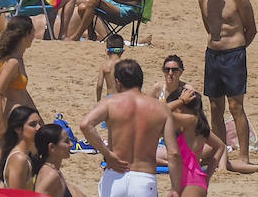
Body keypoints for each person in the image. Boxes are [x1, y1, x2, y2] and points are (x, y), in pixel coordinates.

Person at [80, 59, 183, 197]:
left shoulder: (110, 103)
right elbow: (174, 153)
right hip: (144, 178)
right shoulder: (161, 109)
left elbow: (85, 125)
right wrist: (175, 187)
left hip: (115, 175)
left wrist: (107, 154)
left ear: (118, 82)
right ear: (141, 80)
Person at [195, 0, 257, 164]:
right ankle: (220, 155)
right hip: (212, 54)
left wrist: (236, 49)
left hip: (234, 55)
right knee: (214, 107)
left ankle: (244, 157)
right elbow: (209, 27)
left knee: (236, 106)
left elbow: (251, 28)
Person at [165, 86, 230, 195]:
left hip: (192, 183)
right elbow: (220, 146)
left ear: (181, 106)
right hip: (188, 182)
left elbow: (161, 111)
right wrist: (207, 176)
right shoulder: (196, 125)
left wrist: (180, 101)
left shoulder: (191, 121)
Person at [0, 16, 36, 150]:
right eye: (33, 32)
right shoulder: (12, 63)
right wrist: (3, 130)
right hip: (11, 124)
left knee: (1, 167)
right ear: (26, 35)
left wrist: (37, 116)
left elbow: (22, 92)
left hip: (18, 121)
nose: (34, 36)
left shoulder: (16, 59)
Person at [0, 105, 43, 191]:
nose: (38, 128)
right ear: (18, 129)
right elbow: (16, 194)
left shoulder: (27, 154)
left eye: (39, 123)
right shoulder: (19, 159)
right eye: (33, 125)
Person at [33, 122, 75, 197]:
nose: (71, 144)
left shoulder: (52, 169)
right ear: (52, 147)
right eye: (66, 141)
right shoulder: (51, 175)